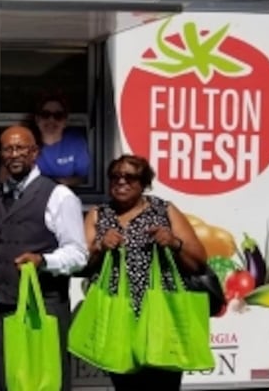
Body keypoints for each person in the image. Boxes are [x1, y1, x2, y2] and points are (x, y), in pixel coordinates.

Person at [84, 154, 207, 390]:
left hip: (161, 316)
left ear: (144, 183)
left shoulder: (165, 210)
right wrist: (99, 246)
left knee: (163, 384)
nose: (121, 182)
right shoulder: (98, 214)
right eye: (116, 176)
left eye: (130, 177)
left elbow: (199, 260)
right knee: (125, 385)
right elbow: (81, 265)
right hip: (116, 316)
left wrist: (173, 242)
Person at [0, 125, 88, 391]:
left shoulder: (59, 196)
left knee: (45, 380)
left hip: (44, 306)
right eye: (8, 148)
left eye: (21, 148)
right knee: (6, 379)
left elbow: (78, 254)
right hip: (3, 305)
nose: (14, 154)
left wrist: (44, 261)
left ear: (35, 153)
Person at [33, 93, 91, 186]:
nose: (51, 120)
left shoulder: (76, 141)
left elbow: (82, 177)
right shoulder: (27, 143)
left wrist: (55, 185)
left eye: (58, 115)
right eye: (45, 114)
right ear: (37, 119)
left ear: (65, 121)